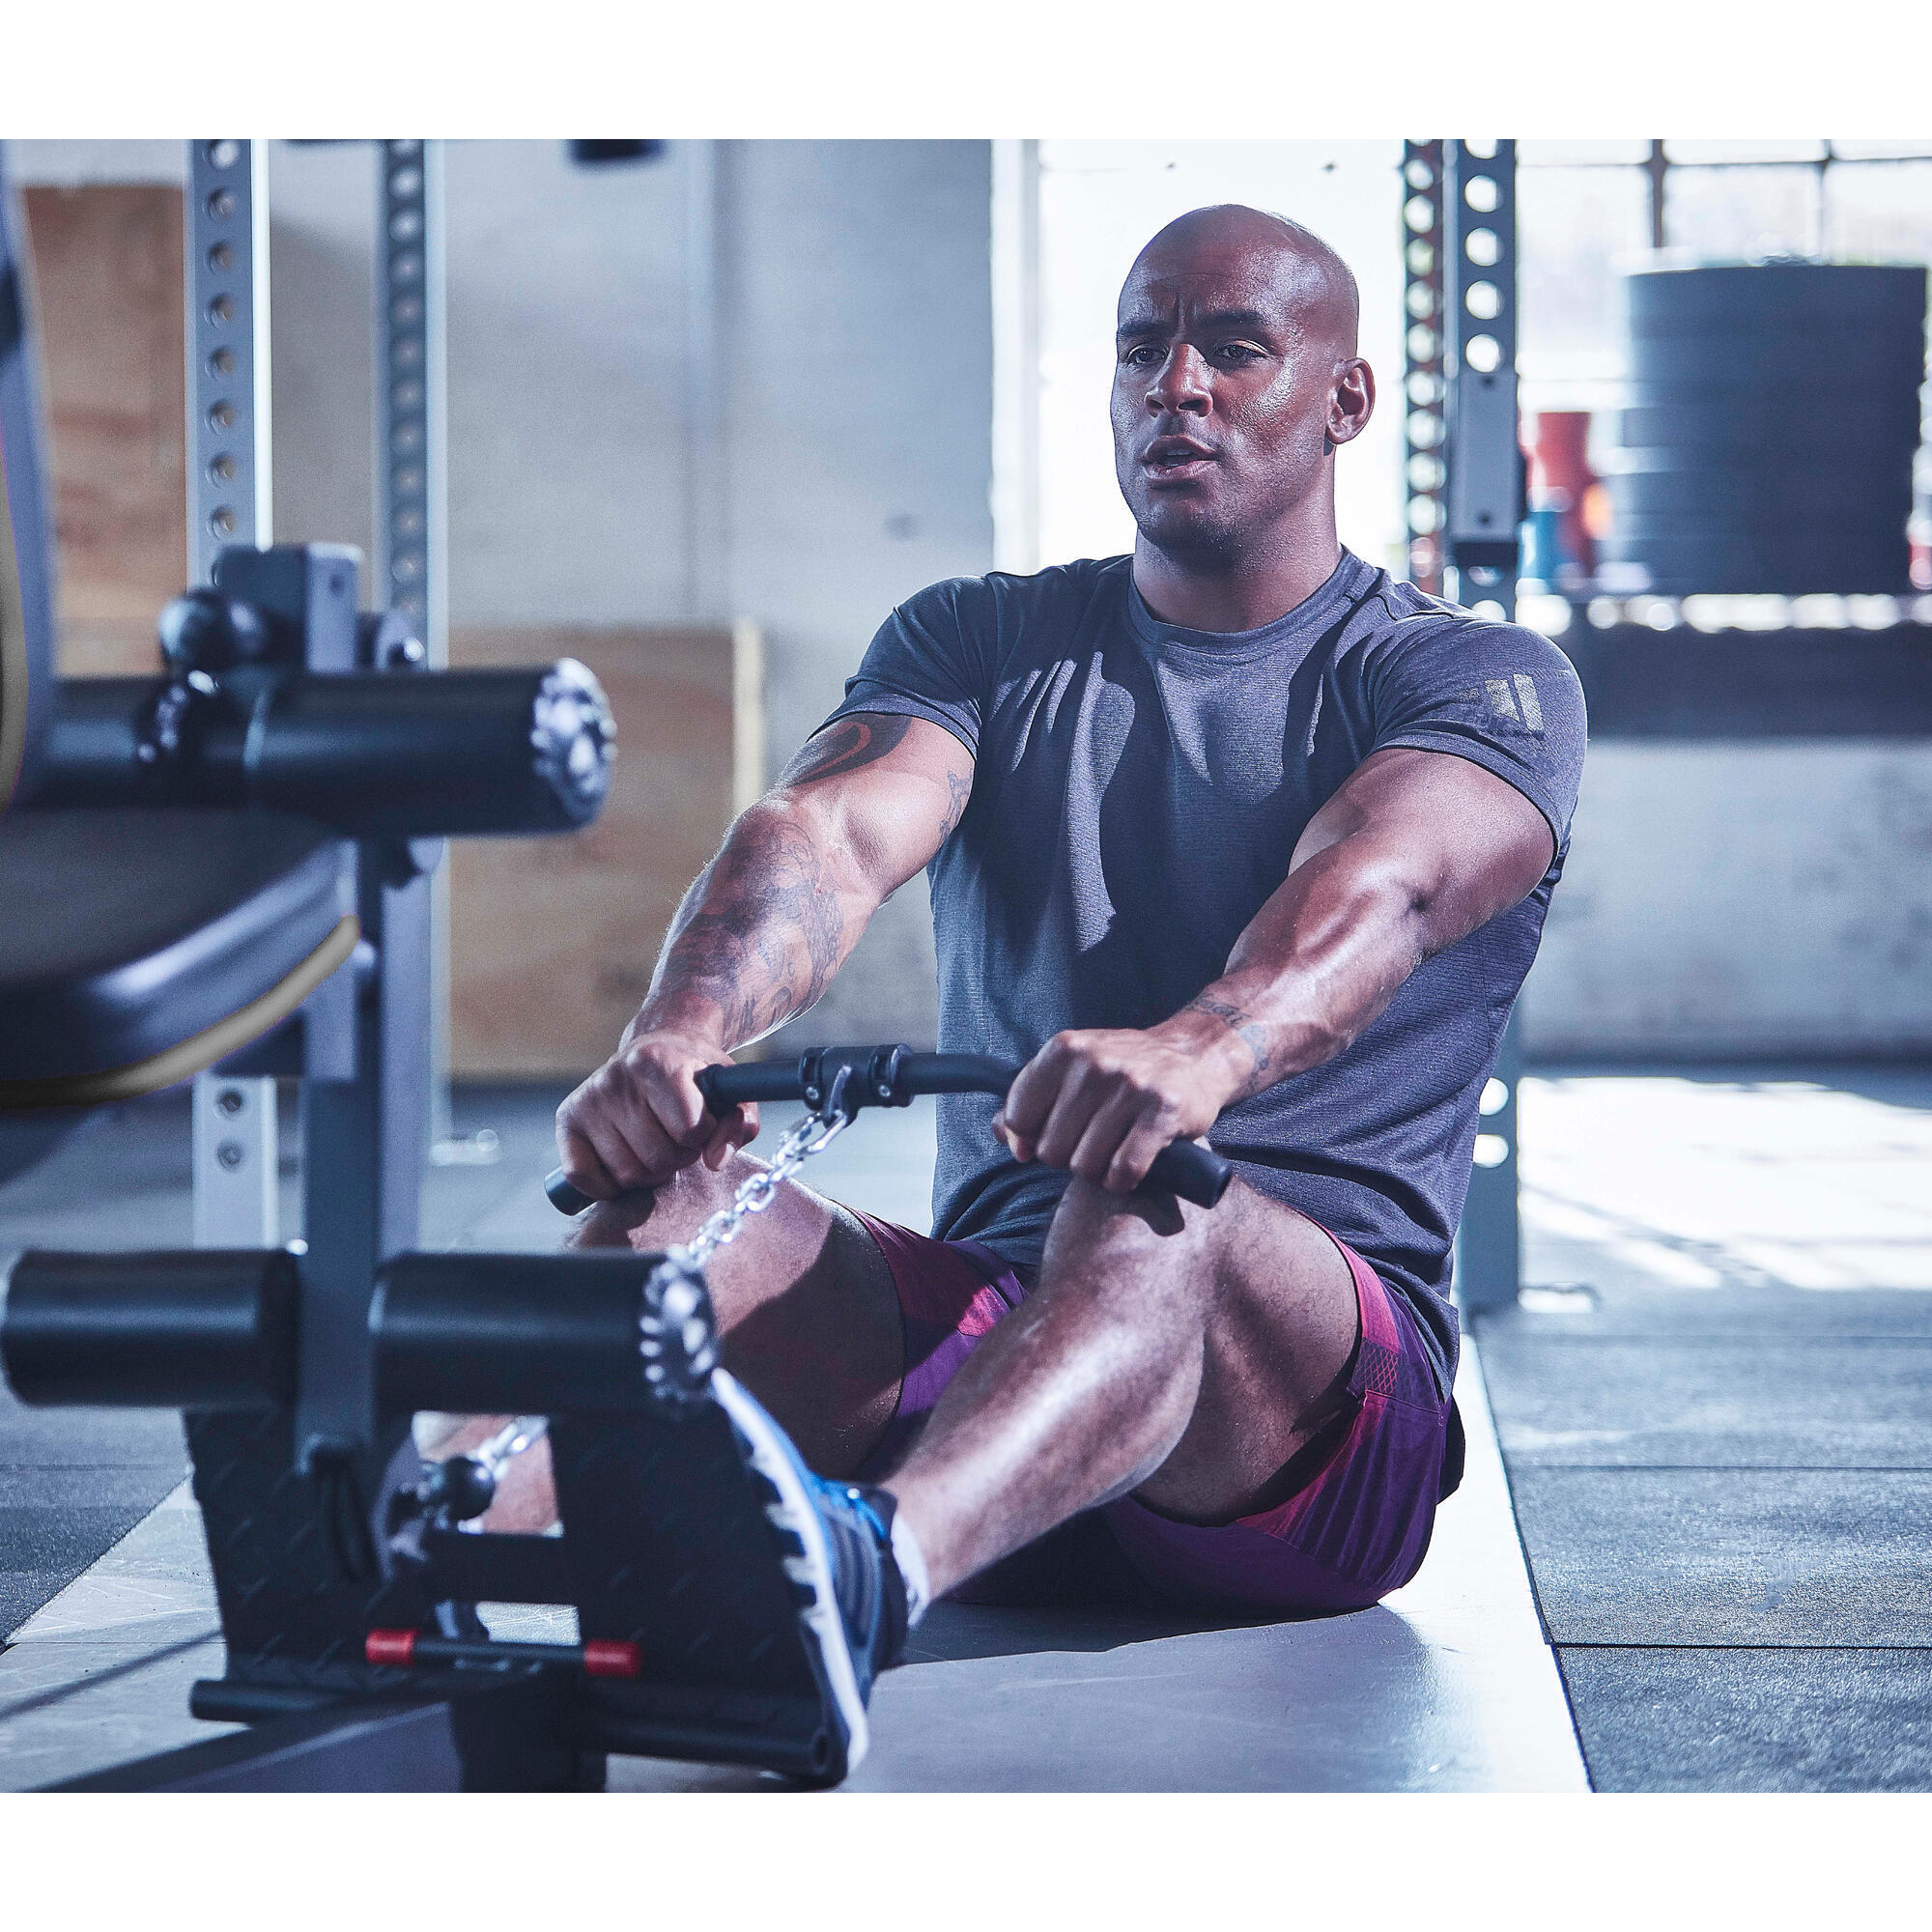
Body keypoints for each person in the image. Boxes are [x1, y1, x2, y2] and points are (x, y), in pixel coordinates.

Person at [510, 203, 1585, 1768]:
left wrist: (1202, 1055)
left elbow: (1382, 888)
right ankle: (420, 1524)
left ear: (1344, 403)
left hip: (1304, 1435)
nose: (1180, 388)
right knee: (685, 1200)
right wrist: (681, 1041)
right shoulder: (982, 640)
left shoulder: (1469, 677)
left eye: (1234, 347)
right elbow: (822, 835)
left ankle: (866, 1576)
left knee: (1151, 1189)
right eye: (1144, 348)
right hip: (1005, 1382)